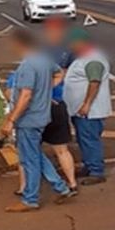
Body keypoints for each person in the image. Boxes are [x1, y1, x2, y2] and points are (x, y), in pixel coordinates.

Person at [0, 28, 77, 212]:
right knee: (34, 155)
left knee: (29, 160)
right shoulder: (45, 60)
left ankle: (30, 199)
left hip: (28, 119)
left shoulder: (27, 66)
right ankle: (60, 187)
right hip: (42, 116)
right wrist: (45, 91)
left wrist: (11, 120)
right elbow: (59, 74)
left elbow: (25, 96)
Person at [64, 28, 112, 185]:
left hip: (90, 111)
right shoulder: (82, 58)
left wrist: (86, 104)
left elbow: (94, 82)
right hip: (80, 110)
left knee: (89, 139)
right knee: (83, 139)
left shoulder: (93, 60)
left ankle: (96, 171)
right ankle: (88, 165)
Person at [40, 18, 78, 190]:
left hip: (45, 105)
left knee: (30, 149)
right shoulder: (65, 52)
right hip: (56, 103)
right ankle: (71, 183)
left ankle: (26, 186)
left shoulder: (40, 52)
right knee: (60, 149)